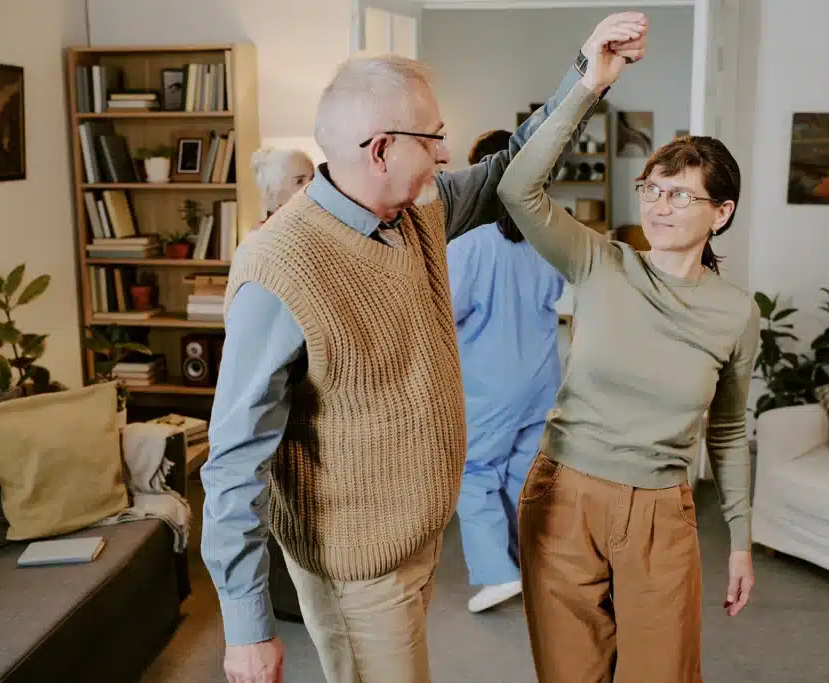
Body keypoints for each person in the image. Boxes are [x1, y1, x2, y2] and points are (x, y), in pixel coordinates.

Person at [199, 14, 646, 683]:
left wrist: (587, 82)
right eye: (434, 137)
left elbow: (507, 169)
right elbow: (234, 461)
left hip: (414, 535)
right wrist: (245, 626)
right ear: (380, 149)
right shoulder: (278, 270)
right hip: (357, 565)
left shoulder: (417, 211)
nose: (444, 154)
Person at [496, 17, 757, 683]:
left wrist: (742, 539)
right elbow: (516, 189)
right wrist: (590, 84)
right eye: (652, 189)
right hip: (564, 496)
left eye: (680, 194)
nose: (660, 206)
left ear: (719, 212)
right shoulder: (599, 261)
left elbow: (727, 428)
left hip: (661, 511)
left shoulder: (734, 311)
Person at [446, 129, 565, 614]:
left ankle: (497, 574)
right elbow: (559, 293)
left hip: (490, 385)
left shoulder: (470, 242)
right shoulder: (549, 233)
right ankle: (536, 566)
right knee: (524, 475)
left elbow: (444, 312)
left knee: (474, 474)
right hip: (541, 377)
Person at [251, 147, 315, 223]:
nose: (312, 185)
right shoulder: (266, 233)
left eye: (313, 178)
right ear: (275, 197)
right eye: (299, 181)